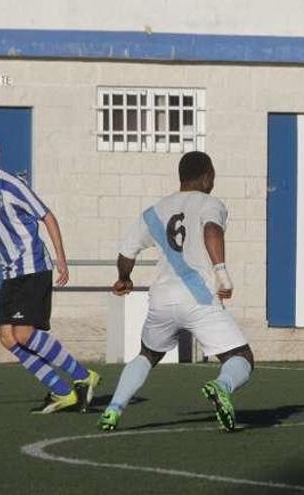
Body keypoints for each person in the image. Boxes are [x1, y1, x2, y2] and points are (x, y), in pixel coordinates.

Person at [98, 151, 254, 432]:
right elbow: (211, 231)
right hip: (199, 297)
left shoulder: (155, 210)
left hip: (162, 298)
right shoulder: (210, 203)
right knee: (240, 357)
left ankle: (113, 409)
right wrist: (221, 273)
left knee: (147, 354)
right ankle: (222, 386)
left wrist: (124, 277)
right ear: (208, 177)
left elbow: (127, 250)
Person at [0, 132, 100, 414]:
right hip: (10, 273)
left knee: (25, 333)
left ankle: (84, 376)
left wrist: (62, 260)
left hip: (33, 267)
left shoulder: (11, 185)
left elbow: (48, 216)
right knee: (7, 338)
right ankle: (63, 391)